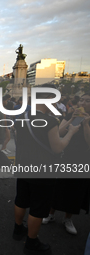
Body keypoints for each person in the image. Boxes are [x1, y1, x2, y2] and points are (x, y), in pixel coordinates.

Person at [13, 84, 80, 255]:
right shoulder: (49, 120)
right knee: (38, 208)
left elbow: (47, 134)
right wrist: (71, 133)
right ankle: (31, 242)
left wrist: (69, 121)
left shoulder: (22, 115)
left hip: (24, 166)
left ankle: (18, 229)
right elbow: (57, 147)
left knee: (21, 200)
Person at [42, 92, 90, 235]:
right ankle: (50, 214)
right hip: (66, 157)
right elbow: (59, 132)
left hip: (83, 159)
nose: (82, 103)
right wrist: (72, 120)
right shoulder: (71, 115)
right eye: (81, 100)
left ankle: (68, 219)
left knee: (76, 190)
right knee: (58, 186)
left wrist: (86, 124)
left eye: (87, 101)